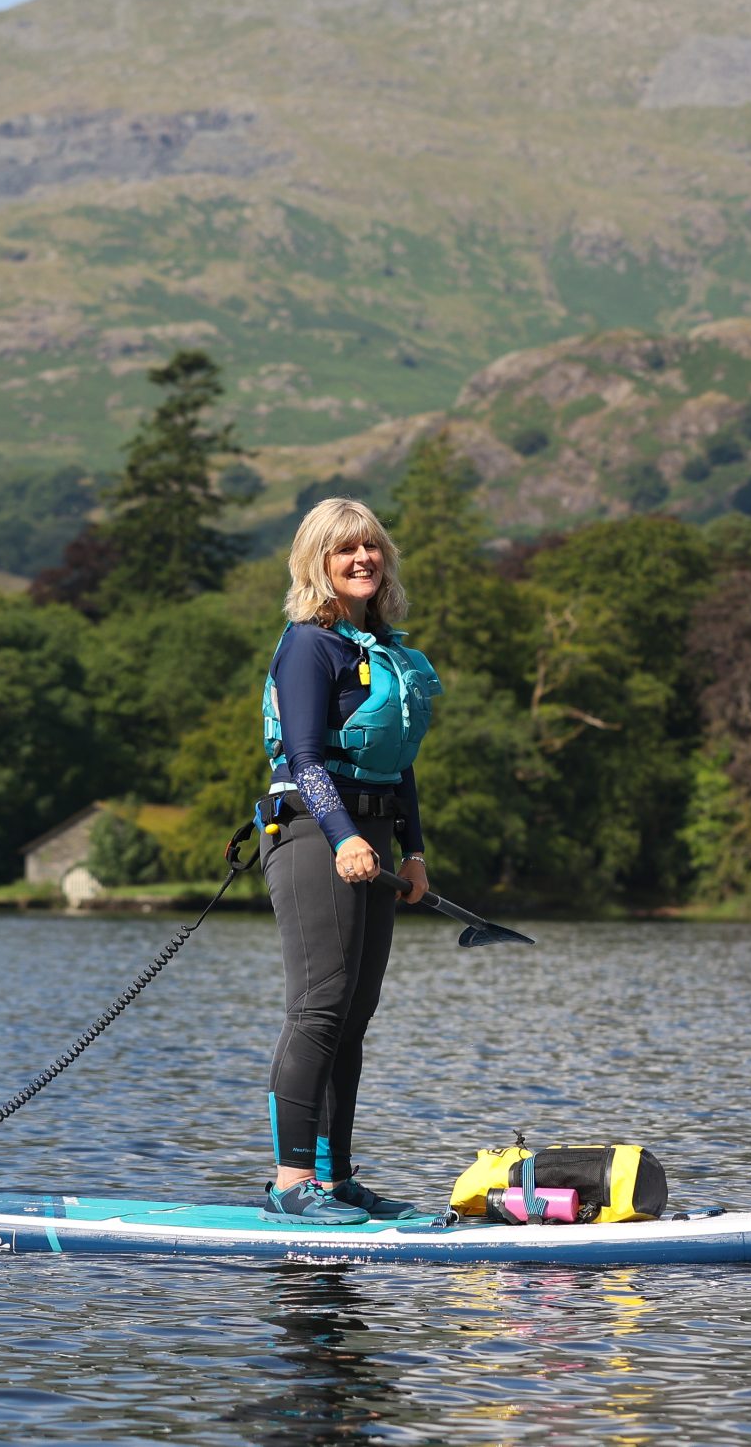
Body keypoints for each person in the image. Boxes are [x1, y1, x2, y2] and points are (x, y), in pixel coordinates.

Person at [256, 496, 442, 1222]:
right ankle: (289, 1183)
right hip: (311, 834)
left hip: (373, 839)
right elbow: (306, 756)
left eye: (370, 546)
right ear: (319, 564)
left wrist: (415, 848)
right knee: (319, 1009)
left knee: (354, 1016)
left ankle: (334, 1180)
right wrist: (343, 837)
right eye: (345, 550)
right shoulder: (310, 643)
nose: (363, 559)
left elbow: (397, 761)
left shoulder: (386, 650)